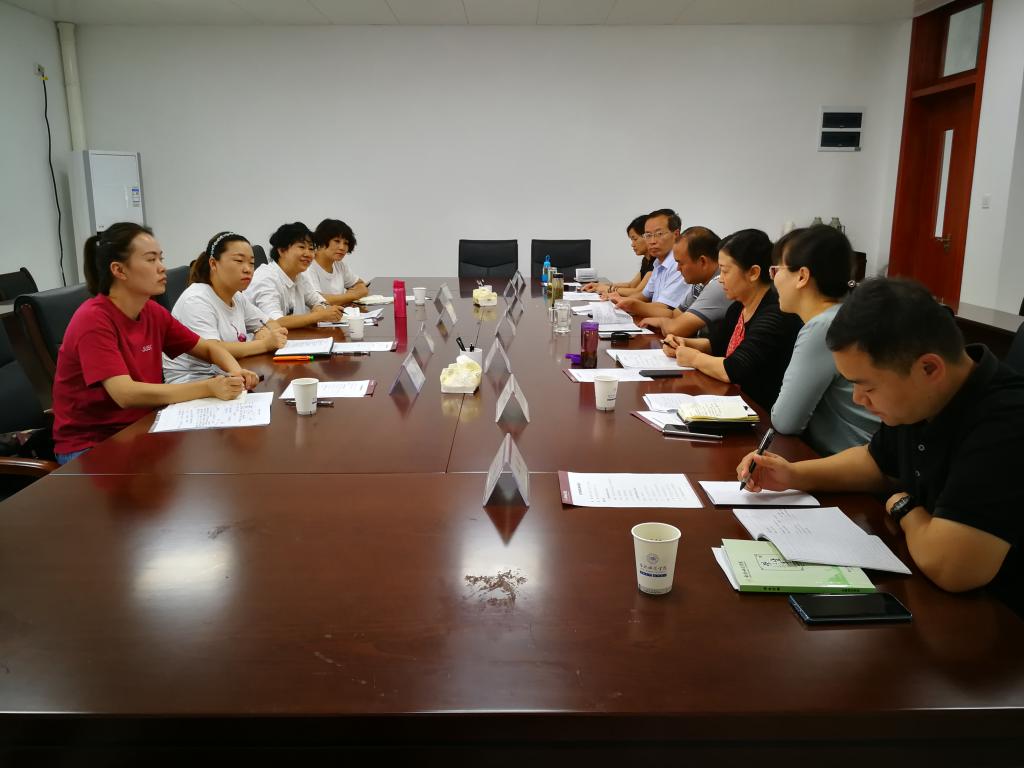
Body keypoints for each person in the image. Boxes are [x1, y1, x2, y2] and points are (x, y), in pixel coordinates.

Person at [737, 277, 1024, 615]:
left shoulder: (1006, 420)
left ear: (929, 368)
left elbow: (952, 567)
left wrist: (904, 507)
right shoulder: (923, 398)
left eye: (868, 387)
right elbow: (876, 462)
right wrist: (793, 475)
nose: (858, 399)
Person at [51, 222, 260, 464]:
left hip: (142, 427)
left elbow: (209, 348)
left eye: (161, 258)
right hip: (92, 445)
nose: (162, 268)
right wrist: (209, 387)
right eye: (151, 260)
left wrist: (236, 372)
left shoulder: (151, 311)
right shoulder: (93, 319)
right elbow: (125, 394)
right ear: (119, 270)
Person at [769, 226, 879, 455]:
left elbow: (785, 421)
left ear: (802, 276)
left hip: (850, 463)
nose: (774, 279)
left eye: (776, 269)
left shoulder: (823, 328)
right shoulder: (841, 316)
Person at [664, 229, 801, 410]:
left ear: (753, 273)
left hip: (759, 412)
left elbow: (733, 369)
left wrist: (693, 358)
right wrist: (682, 343)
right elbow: (716, 344)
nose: (720, 280)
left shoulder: (774, 313)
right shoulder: (738, 306)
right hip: (733, 402)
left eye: (725, 271)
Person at [163, 231, 289, 383]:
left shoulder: (236, 296)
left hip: (229, 375)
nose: (248, 269)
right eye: (239, 261)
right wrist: (264, 344)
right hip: (193, 382)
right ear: (213, 264)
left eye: (251, 263)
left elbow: (271, 324)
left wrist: (262, 331)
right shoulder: (196, 300)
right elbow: (213, 350)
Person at [245, 222, 343, 328]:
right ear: (282, 250)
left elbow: (318, 301)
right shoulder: (266, 278)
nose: (308, 254)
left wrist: (320, 310)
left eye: (311, 249)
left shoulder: (299, 275)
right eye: (302, 247)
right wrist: (318, 316)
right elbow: (274, 322)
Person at [639, 226, 730, 339]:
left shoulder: (719, 284)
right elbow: (675, 315)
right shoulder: (700, 282)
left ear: (702, 261)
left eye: (680, 263)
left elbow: (676, 330)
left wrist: (662, 322)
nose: (678, 269)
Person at [610, 208, 688, 319]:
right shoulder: (658, 263)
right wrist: (617, 300)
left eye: (659, 234)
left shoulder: (679, 265)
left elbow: (664, 308)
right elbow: (644, 295)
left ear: (676, 234)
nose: (652, 241)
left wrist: (628, 304)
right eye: (648, 235)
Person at [582, 215, 653, 297]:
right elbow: (631, 285)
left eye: (635, 239)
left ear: (647, 236)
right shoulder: (646, 260)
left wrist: (608, 289)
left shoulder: (656, 262)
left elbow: (638, 292)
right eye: (631, 240)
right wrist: (600, 285)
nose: (632, 244)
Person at [309, 218, 369, 306]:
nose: (342, 247)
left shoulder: (339, 265)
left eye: (346, 243)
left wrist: (346, 297)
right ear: (322, 240)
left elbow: (360, 284)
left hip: (339, 314)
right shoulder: (308, 265)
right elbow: (318, 300)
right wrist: (353, 296)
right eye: (337, 241)